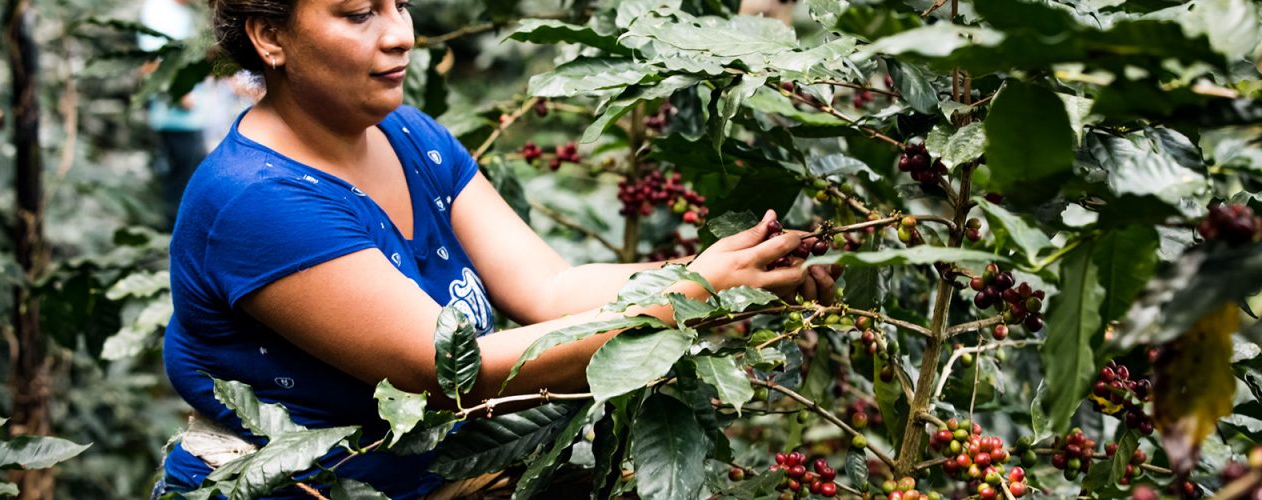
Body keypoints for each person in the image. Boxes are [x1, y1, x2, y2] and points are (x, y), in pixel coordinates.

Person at [158, 0, 841, 498]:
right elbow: (452, 374)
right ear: (270, 36)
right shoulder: (256, 200)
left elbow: (547, 286)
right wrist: (695, 294)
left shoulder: (408, 134)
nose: (400, 35)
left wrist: (723, 268)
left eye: (398, 4)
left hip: (433, 479)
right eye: (359, 12)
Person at [139, 0, 212, 229]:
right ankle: (170, 240)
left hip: (192, 117)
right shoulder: (158, 10)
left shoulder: (185, 12)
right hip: (175, 117)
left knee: (189, 179)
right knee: (179, 185)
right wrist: (179, 94)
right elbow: (151, 61)